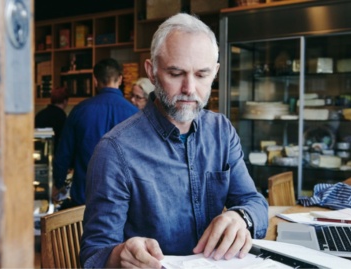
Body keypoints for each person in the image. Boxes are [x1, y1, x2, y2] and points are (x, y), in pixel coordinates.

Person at [80, 13, 269, 268]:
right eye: (176, 73)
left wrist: (240, 217)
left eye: (202, 75)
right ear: (152, 72)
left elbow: (255, 202)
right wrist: (119, 256)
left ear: (215, 73)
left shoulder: (221, 131)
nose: (189, 88)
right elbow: (93, 256)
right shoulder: (114, 151)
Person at [52, 58, 138, 209]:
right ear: (120, 79)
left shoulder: (79, 110)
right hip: (122, 200)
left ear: (95, 80)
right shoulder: (134, 114)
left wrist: (58, 184)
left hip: (84, 200)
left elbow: (63, 154)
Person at [34, 86, 69, 153]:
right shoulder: (62, 117)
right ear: (65, 101)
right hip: (55, 153)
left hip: (38, 152)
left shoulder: (40, 114)